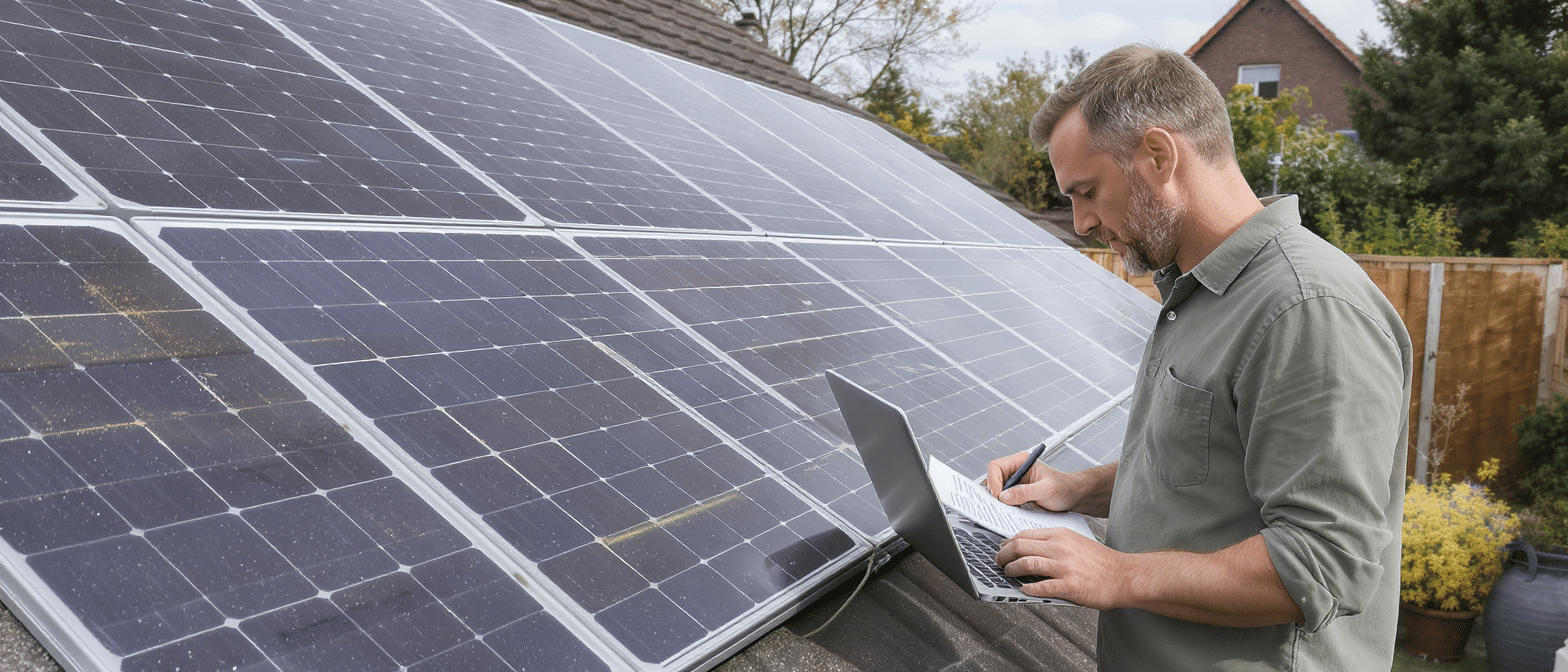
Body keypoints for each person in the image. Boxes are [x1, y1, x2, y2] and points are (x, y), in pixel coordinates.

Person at [985, 44, 1413, 671]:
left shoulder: (1306, 308)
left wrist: (1117, 574)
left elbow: (1324, 563)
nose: (1078, 222)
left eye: (1088, 191)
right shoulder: (1202, 290)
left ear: (1158, 156)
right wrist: (1078, 488)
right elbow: (1205, 469)